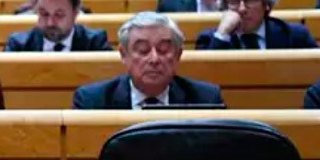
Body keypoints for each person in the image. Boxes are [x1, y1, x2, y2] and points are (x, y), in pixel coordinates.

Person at [72, 12, 224, 110]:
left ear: (178, 54)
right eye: (143, 50)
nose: (154, 59)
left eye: (163, 49)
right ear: (124, 55)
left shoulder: (206, 99)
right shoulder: (91, 102)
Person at [195, 0, 319, 50]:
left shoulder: (295, 36)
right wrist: (222, 34)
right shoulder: (209, 40)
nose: (242, 9)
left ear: (266, 3)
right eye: (234, 1)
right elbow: (205, 80)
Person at [4, 0, 111, 52]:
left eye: (59, 15)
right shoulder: (18, 45)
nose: (50, 23)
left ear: (75, 12)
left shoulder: (95, 43)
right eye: (44, 14)